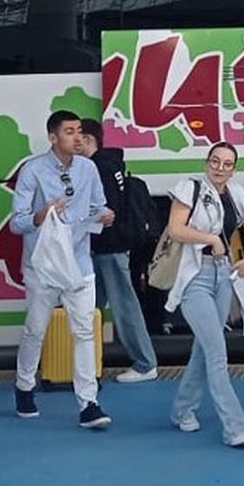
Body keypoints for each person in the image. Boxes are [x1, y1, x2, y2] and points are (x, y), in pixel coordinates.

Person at [11, 110, 115, 428]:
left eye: (80, 131)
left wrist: (104, 215)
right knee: (36, 329)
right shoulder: (33, 171)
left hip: (79, 262)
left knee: (84, 332)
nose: (77, 137)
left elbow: (98, 204)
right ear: (53, 138)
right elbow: (17, 222)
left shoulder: (89, 168)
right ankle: (24, 385)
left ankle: (89, 403)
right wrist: (41, 215)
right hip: (43, 265)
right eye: (69, 131)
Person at [162, 142, 244, 448]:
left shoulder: (237, 195)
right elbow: (175, 229)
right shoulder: (189, 187)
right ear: (207, 162)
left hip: (224, 274)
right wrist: (209, 238)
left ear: (234, 168)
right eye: (215, 161)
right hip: (194, 276)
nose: (220, 168)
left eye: (227, 164)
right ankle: (236, 427)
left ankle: (182, 410)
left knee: (205, 348)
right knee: (217, 352)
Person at [78, 118, 159, 383]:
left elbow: (103, 211)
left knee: (123, 304)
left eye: (77, 136)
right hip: (111, 246)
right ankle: (86, 363)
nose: (73, 142)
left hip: (107, 247)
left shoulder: (96, 168)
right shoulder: (113, 165)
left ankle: (145, 363)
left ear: (89, 139)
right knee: (92, 307)